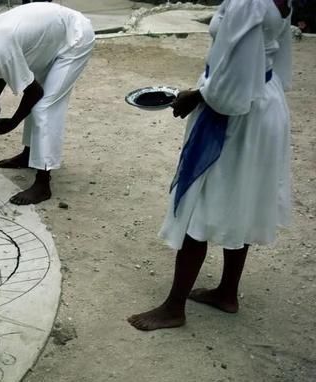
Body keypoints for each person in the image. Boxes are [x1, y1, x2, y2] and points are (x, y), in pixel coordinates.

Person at [128, 0, 293, 331]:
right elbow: (275, 52)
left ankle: (174, 307)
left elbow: (234, 77)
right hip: (265, 101)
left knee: (199, 200)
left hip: (237, 113)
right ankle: (227, 292)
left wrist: (198, 95)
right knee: (242, 194)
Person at [0, 3, 95, 205]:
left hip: (75, 37)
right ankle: (29, 154)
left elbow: (33, 91)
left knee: (44, 106)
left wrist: (12, 123)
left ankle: (43, 183)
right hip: (52, 34)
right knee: (38, 99)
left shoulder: (0, 47)